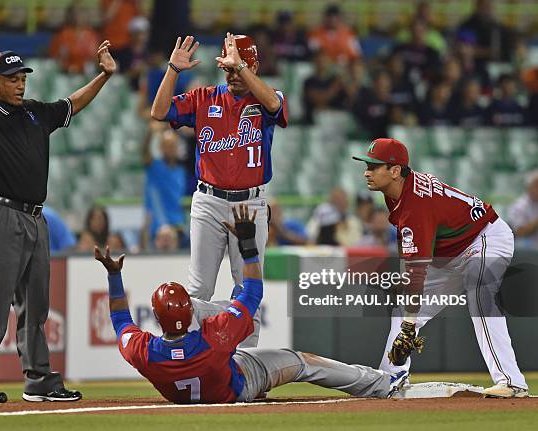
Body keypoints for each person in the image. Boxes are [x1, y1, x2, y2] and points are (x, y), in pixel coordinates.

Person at [95, 203, 408, 404]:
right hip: (240, 383)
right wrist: (247, 245)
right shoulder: (215, 336)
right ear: (190, 312)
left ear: (157, 318)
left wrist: (113, 276)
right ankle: (381, 385)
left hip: (205, 382)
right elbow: (252, 291)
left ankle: (380, 384)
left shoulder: (145, 352)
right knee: (302, 362)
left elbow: (121, 320)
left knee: (240, 316)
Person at [0, 35, 116, 402]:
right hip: (1, 213)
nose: (20, 83)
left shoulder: (34, 112)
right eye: (12, 78)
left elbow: (72, 104)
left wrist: (104, 76)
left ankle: (39, 379)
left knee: (35, 304)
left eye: (23, 77)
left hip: (35, 218)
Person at [352, 138, 528, 398]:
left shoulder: (414, 204)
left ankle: (511, 381)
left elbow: (417, 270)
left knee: (479, 295)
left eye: (374, 166)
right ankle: (391, 378)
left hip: (485, 237)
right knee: (403, 310)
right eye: (367, 165)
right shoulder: (397, 192)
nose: (367, 171)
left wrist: (410, 327)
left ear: (395, 171)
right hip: (451, 252)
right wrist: (409, 321)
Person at [150, 33, 288, 348]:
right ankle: (191, 358)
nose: (233, 76)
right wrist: (173, 69)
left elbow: (275, 106)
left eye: (239, 69)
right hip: (208, 201)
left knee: (247, 289)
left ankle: (246, 364)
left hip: (251, 204)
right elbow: (159, 112)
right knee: (198, 290)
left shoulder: (266, 97)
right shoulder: (204, 98)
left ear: (252, 67)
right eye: (228, 70)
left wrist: (242, 67)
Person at [143, 125, 185, 243]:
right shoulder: (154, 166)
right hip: (158, 225)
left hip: (177, 223)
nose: (169, 149)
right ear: (161, 147)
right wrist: (150, 133)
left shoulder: (181, 171)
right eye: (166, 146)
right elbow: (144, 153)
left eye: (172, 146)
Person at [507, 170, 538, 249]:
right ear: (529, 187)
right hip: (526, 250)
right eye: (536, 185)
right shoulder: (520, 206)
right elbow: (520, 231)